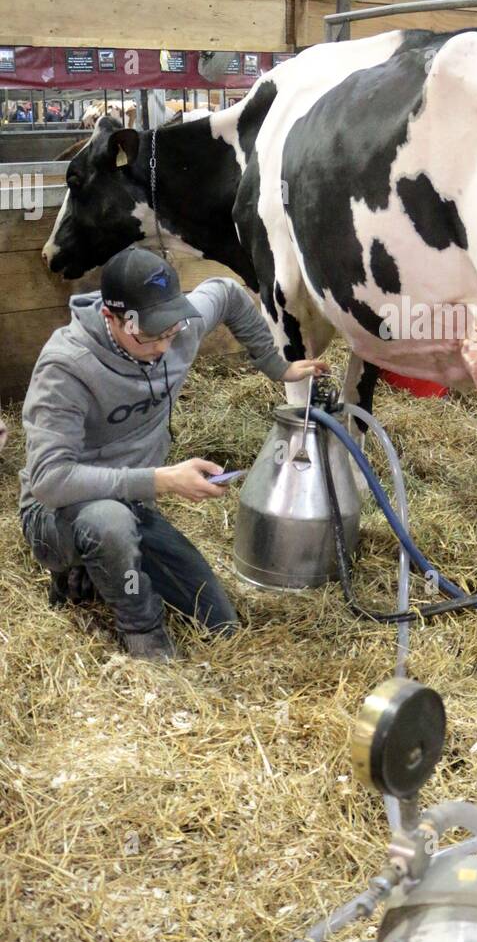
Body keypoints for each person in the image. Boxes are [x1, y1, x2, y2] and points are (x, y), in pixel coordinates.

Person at [19, 248, 327, 661]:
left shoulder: (174, 330)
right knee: (108, 523)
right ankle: (144, 635)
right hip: (57, 512)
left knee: (218, 621)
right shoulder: (66, 368)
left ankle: (98, 571)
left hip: (131, 503)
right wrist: (161, 479)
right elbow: (50, 479)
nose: (165, 346)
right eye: (151, 336)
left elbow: (228, 294)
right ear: (113, 319)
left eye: (171, 330)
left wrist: (278, 367)